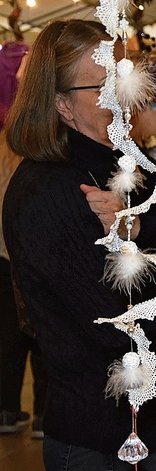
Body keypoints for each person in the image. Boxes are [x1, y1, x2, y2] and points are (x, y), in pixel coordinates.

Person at [2, 19, 156, 471]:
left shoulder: (130, 164)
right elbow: (120, 320)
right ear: (62, 104)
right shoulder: (47, 189)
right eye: (104, 84)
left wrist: (141, 231)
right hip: (106, 438)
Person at [0, 129, 46, 439]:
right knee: (45, 333)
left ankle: (6, 410)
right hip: (40, 252)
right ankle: (44, 413)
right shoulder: (45, 144)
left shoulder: (4, 144)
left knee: (8, 336)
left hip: (2, 255)